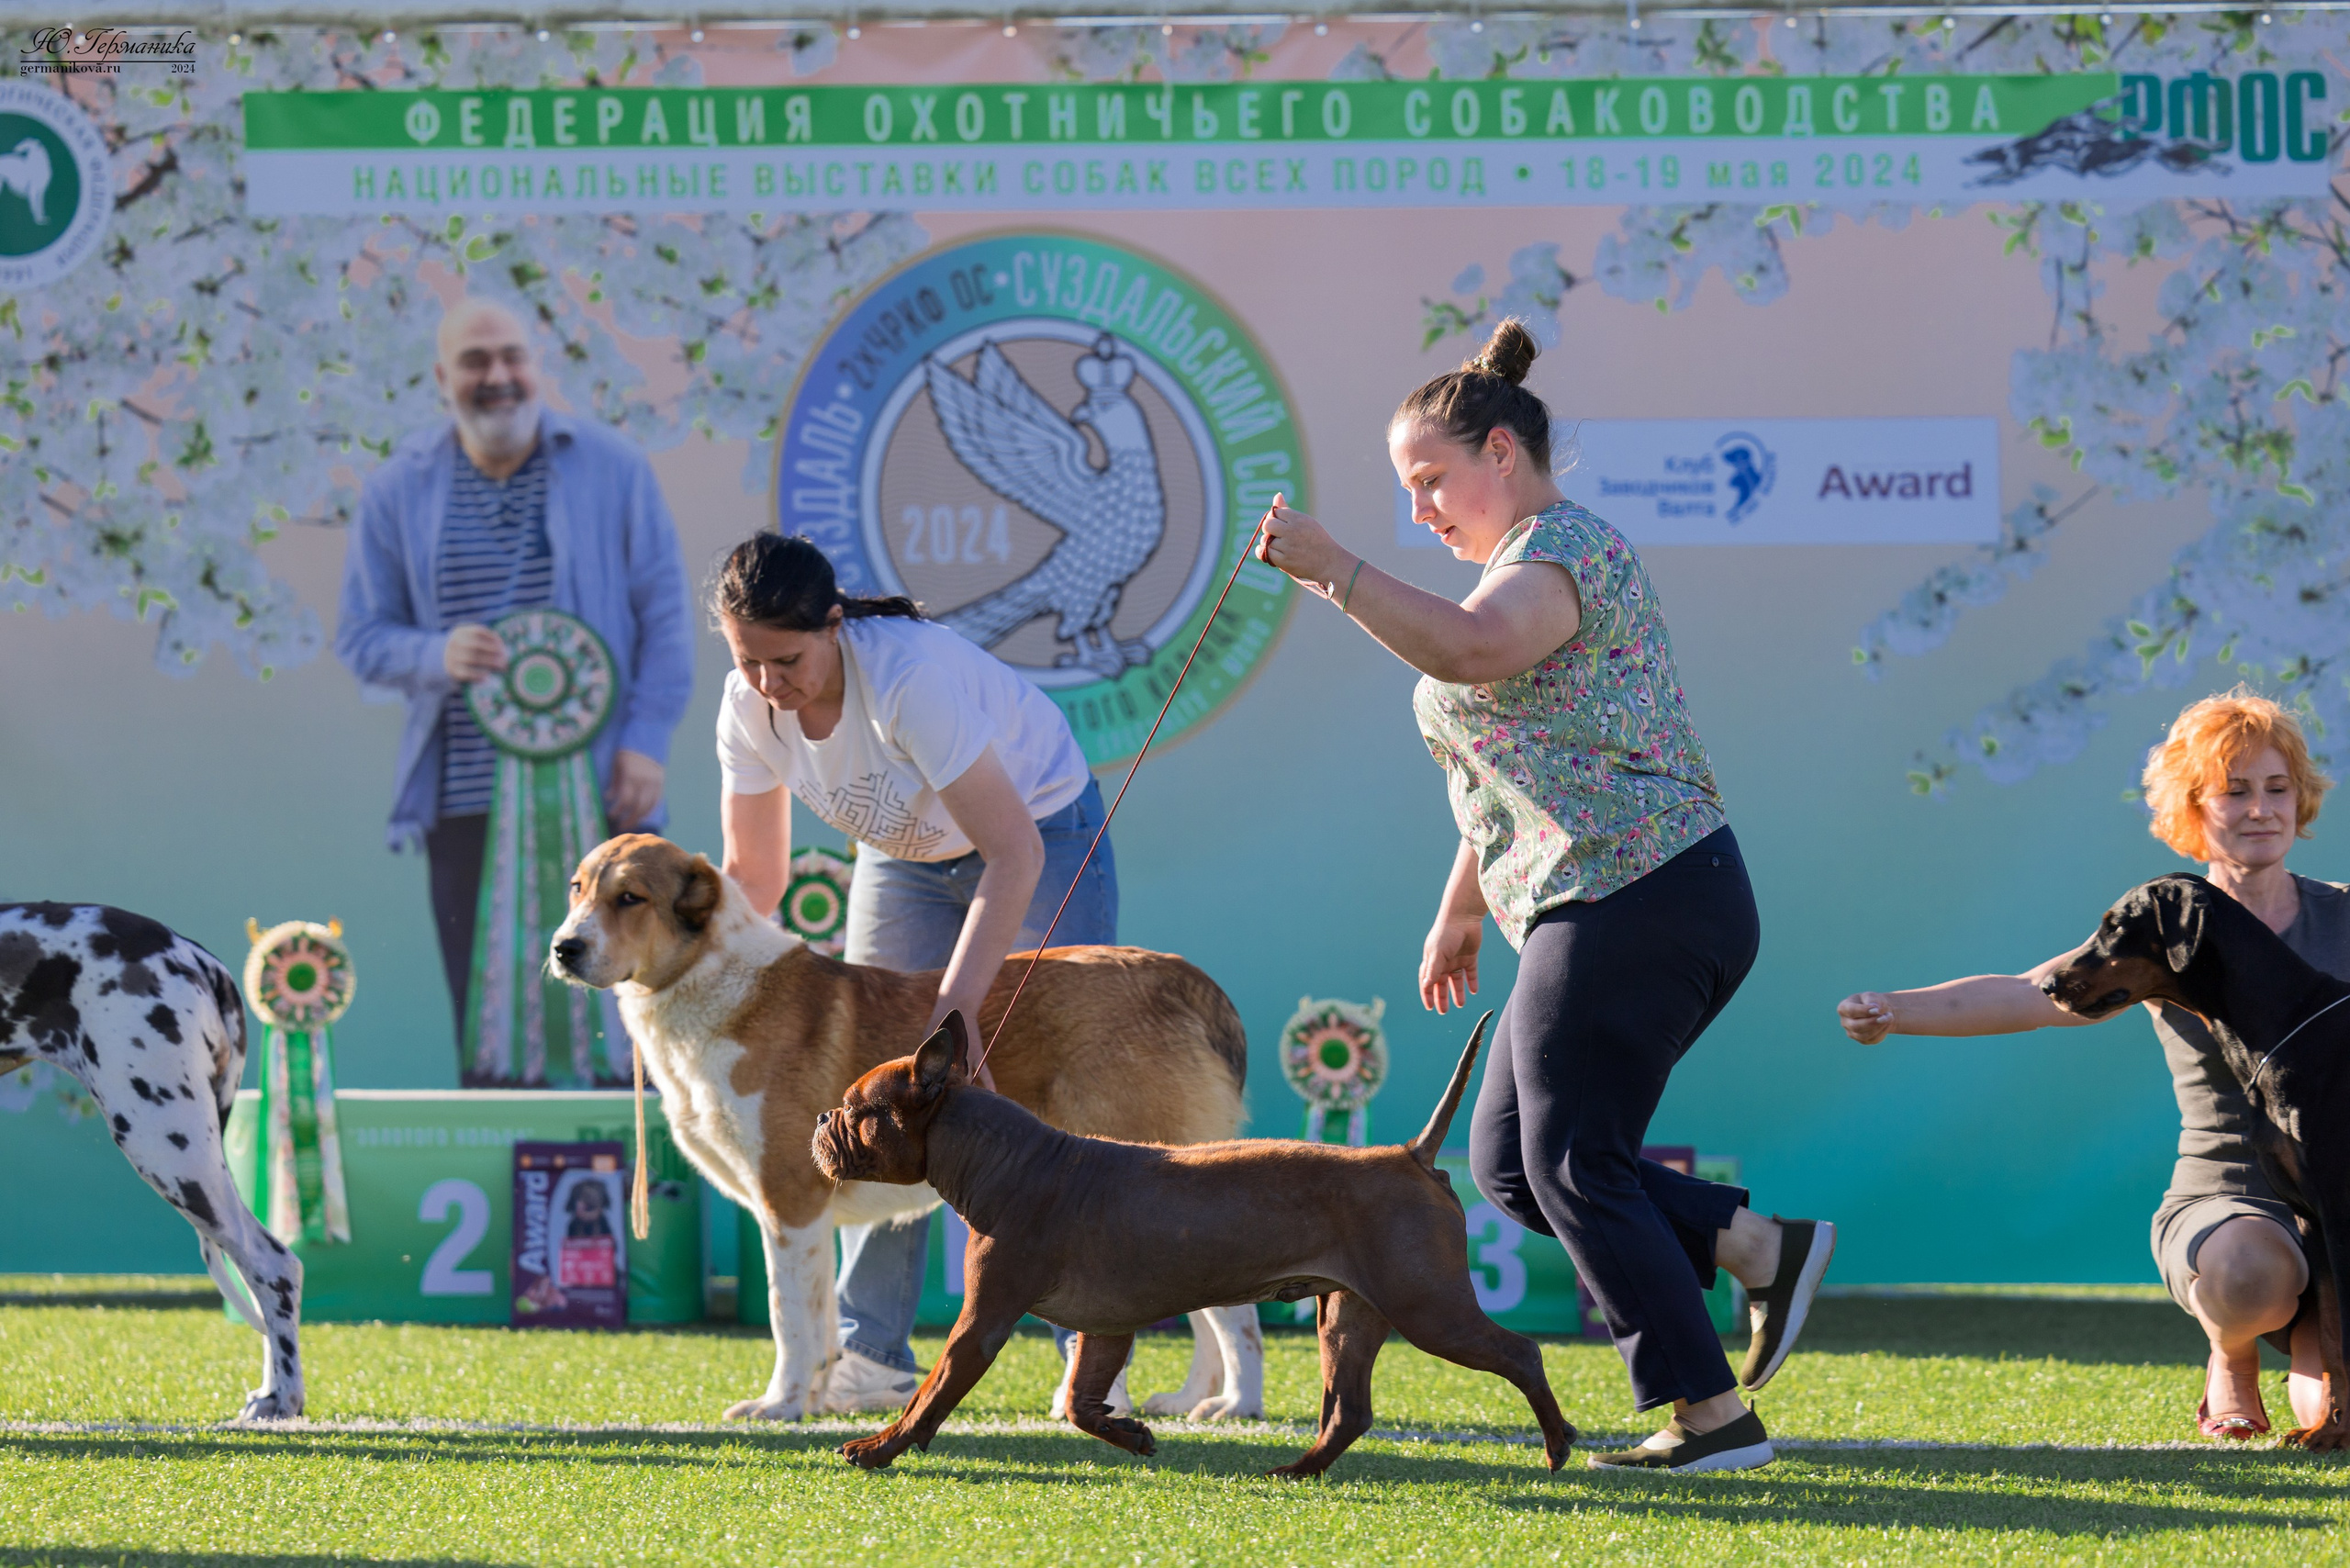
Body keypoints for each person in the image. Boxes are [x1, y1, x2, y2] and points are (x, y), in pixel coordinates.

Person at [1253, 319, 1835, 1473]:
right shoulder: (1515, 567)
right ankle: (1756, 1247)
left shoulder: (1562, 549)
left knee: (1571, 1160)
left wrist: (1335, 568)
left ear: (1501, 451)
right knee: (1516, 1166)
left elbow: (1472, 651)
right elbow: (1515, 758)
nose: (1419, 507)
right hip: (1599, 894)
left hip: (1643, 886)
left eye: (1430, 479)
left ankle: (1711, 1417)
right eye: (1406, 489)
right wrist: (1463, 903)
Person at [1838, 689, 2333, 1439]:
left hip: (2336, 1206)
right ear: (2192, 807)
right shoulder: (2168, 929)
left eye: (2277, 788)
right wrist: (1893, 1010)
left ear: (2301, 799)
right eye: (2234, 791)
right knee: (2251, 1278)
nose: (2261, 809)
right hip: (2232, 1205)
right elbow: (2029, 994)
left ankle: (2312, 1338)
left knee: (2328, 1418)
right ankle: (2231, 1353)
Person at [708, 532, 1113, 1414]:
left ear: (834, 625)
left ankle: (1090, 1361)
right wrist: (689, 987)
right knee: (880, 1090)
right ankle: (871, 1355)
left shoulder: (906, 678)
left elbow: (1014, 852)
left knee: (1045, 1098)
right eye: (748, 662)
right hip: (904, 859)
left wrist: (956, 1013)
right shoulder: (746, 707)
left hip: (1043, 833)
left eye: (788, 660)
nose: (770, 683)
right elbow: (755, 883)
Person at [336, 298, 695, 1075]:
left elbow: (666, 618)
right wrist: (436, 653)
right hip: (463, 807)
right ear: (443, 378)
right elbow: (362, 638)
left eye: (511, 356)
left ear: (536, 365)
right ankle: (496, 1147)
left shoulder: (615, 468)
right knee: (487, 1023)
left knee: (630, 1016)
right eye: (475, 361)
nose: (497, 375)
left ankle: (622, 1149)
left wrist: (645, 741)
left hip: (607, 800)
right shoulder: (397, 489)